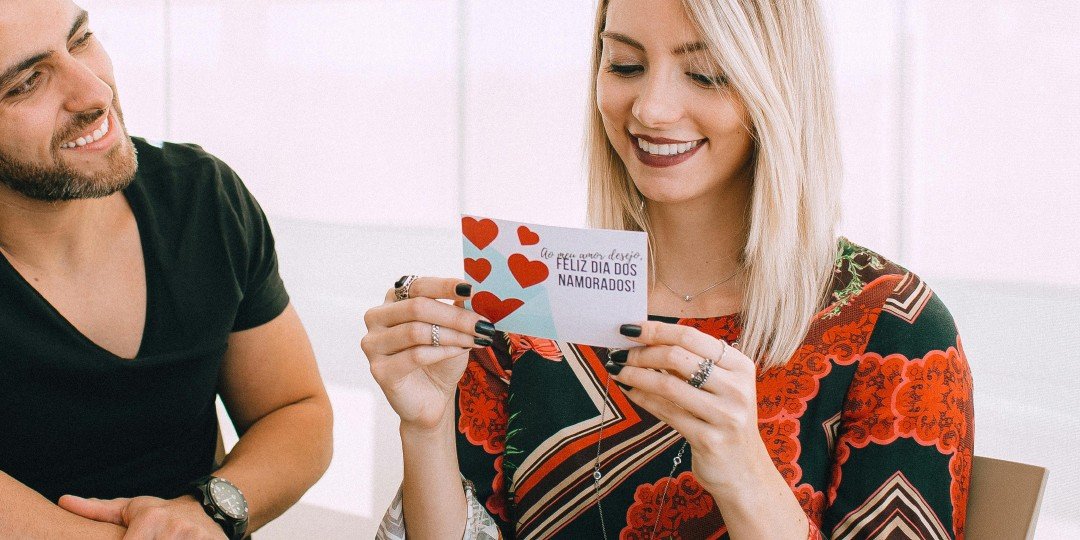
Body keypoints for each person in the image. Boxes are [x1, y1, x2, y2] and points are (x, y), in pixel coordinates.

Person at [363, 0, 973, 538]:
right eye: (625, 65)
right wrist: (425, 427)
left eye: (704, 74)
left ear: (778, 86)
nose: (651, 109)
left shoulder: (889, 324)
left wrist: (744, 473)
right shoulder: (531, 308)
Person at [0, 1, 333, 538]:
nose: (95, 93)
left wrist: (205, 513)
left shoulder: (201, 195)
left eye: (80, 38)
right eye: (26, 83)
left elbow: (295, 409)